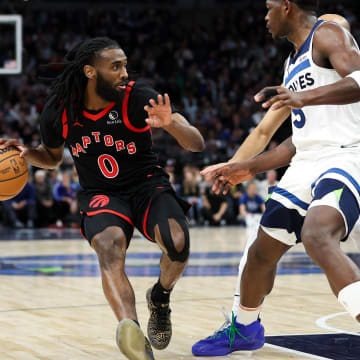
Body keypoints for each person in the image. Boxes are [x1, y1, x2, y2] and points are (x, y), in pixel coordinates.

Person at [0, 37, 204, 360]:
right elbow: (52, 158)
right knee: (108, 248)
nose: (125, 72)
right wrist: (28, 154)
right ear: (90, 72)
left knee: (178, 244)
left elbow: (197, 143)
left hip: (147, 185)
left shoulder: (137, 98)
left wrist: (171, 125)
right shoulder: (60, 111)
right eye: (116, 66)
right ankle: (133, 333)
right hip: (101, 194)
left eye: (125, 65)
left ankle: (161, 296)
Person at [193, 4, 360, 356]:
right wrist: (248, 167)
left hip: (347, 153)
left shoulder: (327, 33)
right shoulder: (291, 63)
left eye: (269, 8)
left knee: (317, 234)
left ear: (287, 6)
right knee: (260, 253)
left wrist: (302, 96)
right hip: (305, 161)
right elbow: (296, 141)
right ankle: (246, 327)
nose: (265, 17)